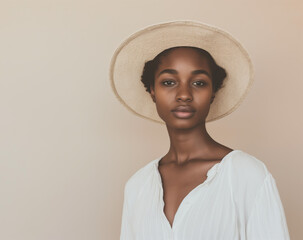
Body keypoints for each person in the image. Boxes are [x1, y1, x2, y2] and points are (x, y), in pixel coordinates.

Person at [110, 21, 290, 240]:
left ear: (213, 92)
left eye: (198, 83)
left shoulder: (246, 175)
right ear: (152, 92)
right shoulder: (137, 186)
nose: (184, 94)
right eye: (168, 82)